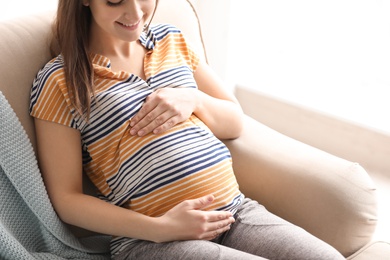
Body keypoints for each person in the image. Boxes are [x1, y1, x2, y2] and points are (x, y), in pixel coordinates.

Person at [30, 0, 345, 259]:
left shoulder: (171, 40)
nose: (136, 13)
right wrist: (162, 228)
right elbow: (66, 199)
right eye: (115, 1)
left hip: (235, 211)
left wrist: (193, 99)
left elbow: (234, 121)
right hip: (152, 241)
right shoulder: (60, 80)